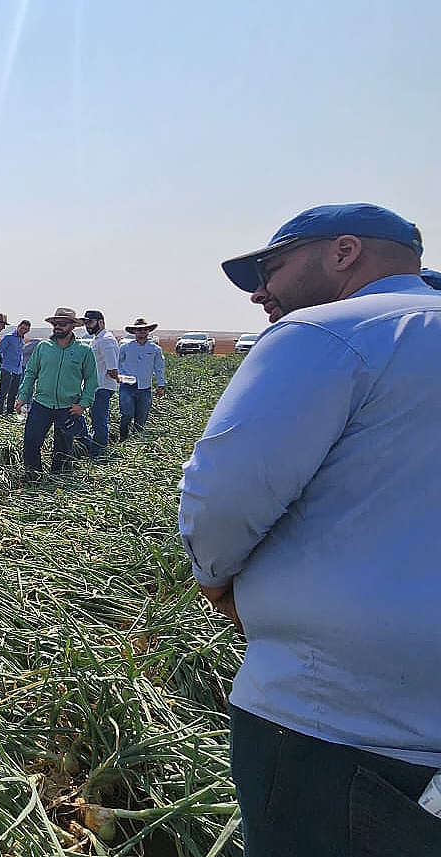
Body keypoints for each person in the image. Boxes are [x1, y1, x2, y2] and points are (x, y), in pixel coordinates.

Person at [180, 203, 441, 856]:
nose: (262, 290)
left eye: (272, 268)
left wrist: (217, 585)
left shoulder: (330, 335)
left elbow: (220, 496)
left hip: (336, 724)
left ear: (344, 252)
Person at [14, 308, 97, 477]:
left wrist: (83, 404)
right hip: (41, 404)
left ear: (72, 326)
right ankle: (33, 478)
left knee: (63, 449)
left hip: (68, 408)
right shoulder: (43, 347)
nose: (58, 327)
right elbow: (31, 373)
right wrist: (22, 396)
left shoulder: (84, 351)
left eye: (62, 324)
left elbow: (92, 380)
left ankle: (57, 483)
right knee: (30, 442)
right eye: (55, 324)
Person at [116, 317, 166, 440]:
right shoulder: (125, 347)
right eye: (139, 330)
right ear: (134, 332)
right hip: (127, 387)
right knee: (126, 414)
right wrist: (121, 376)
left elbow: (159, 368)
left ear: (148, 331)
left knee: (141, 418)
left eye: (144, 329)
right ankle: (123, 438)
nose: (142, 332)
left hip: (145, 388)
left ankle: (136, 443)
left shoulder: (155, 349)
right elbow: (117, 363)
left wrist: (161, 385)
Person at [82, 310, 119, 456]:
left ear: (101, 322)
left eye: (90, 322)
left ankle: (99, 452)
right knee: (96, 419)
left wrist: (119, 378)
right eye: (86, 323)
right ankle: (94, 447)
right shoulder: (98, 339)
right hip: (96, 387)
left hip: (102, 387)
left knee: (99, 421)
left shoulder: (106, 340)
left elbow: (112, 368)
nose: (87, 326)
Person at [0, 319, 31, 415]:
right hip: (7, 369)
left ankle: (9, 413)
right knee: (3, 393)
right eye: (22, 328)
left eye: (26, 330)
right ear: (18, 326)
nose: (23, 331)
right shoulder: (9, 337)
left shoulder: (21, 339)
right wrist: (3, 362)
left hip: (18, 371)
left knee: (13, 394)